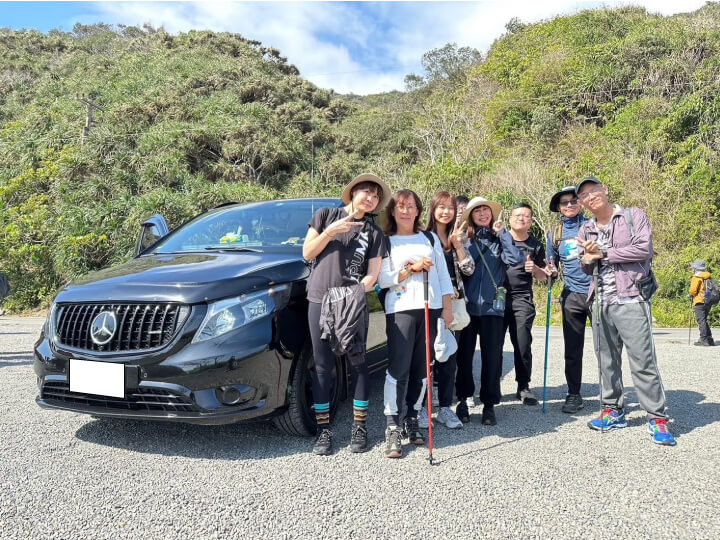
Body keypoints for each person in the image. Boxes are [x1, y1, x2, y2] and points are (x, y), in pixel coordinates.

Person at [576, 176, 676, 446]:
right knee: (606, 361)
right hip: (600, 301)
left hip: (631, 298)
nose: (590, 196)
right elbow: (586, 266)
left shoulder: (632, 216)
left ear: (605, 190)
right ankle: (612, 410)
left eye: (593, 190)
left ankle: (657, 417)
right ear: (582, 203)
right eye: (584, 195)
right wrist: (586, 258)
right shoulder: (586, 228)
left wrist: (604, 253)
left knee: (643, 361)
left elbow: (644, 249)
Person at [302, 173, 389, 455]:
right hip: (319, 299)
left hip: (351, 303)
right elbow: (307, 253)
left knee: (358, 364)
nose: (370, 197)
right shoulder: (326, 215)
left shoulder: (374, 233)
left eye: (375, 196)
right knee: (322, 366)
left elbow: (373, 275)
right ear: (352, 193)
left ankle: (359, 427)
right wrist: (330, 232)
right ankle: (324, 431)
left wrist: (353, 293)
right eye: (365, 191)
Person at [378, 189, 454, 458]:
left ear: (418, 210)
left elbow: (443, 276)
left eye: (411, 206)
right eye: (400, 206)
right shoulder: (386, 241)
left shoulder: (429, 237)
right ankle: (392, 425)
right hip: (400, 309)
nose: (406, 211)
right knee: (398, 368)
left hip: (430, 307)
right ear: (392, 211)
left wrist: (447, 308)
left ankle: (412, 416)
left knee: (422, 369)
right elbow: (383, 280)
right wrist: (411, 269)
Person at [455, 197, 523, 425]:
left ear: (492, 214)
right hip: (467, 307)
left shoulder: (500, 239)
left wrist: (503, 234)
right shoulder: (464, 240)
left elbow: (514, 259)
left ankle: (489, 404)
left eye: (486, 210)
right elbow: (461, 270)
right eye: (478, 211)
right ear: (471, 216)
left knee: (492, 358)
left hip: (493, 308)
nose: (483, 213)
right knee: (463, 357)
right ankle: (462, 400)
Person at [420, 191, 475, 429]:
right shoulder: (422, 236)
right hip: (430, 303)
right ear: (433, 209)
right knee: (424, 359)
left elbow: (469, 269)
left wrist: (458, 246)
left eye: (450, 208)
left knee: (449, 358)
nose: (446, 212)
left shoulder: (458, 236)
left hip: (453, 305)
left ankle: (444, 408)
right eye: (441, 207)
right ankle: (421, 408)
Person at [547, 186, 592, 413]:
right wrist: (551, 271)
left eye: (574, 201)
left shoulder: (593, 226)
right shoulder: (555, 234)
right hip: (572, 295)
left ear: (581, 203)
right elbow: (551, 264)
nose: (569, 205)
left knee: (607, 347)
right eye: (564, 203)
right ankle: (574, 394)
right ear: (558, 208)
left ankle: (613, 397)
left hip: (598, 293)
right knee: (573, 349)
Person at [503, 203, 551, 406]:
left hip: (522, 299)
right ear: (510, 219)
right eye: (517, 215)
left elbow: (545, 277)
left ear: (531, 221)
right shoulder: (500, 239)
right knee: (493, 346)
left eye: (526, 216)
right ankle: (491, 388)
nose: (521, 218)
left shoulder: (536, 245)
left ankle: (523, 386)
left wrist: (536, 270)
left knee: (522, 344)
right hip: (496, 299)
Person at [689, 260, 715, 346]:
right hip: (708, 301)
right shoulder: (707, 276)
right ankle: (709, 339)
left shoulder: (696, 277)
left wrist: (690, 295)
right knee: (704, 319)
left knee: (701, 320)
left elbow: (693, 291)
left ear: (696, 268)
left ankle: (703, 340)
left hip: (700, 300)